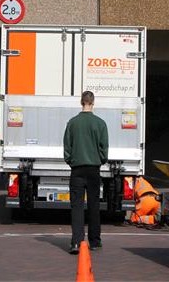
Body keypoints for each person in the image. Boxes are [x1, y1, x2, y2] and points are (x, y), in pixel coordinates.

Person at [63, 91, 109, 255]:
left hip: (77, 169)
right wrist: (100, 160)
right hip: (93, 168)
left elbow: (67, 148)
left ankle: (76, 242)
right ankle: (95, 241)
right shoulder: (100, 123)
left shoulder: (72, 123)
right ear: (93, 102)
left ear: (81, 102)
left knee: (76, 206)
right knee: (94, 205)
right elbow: (104, 148)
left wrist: (71, 161)